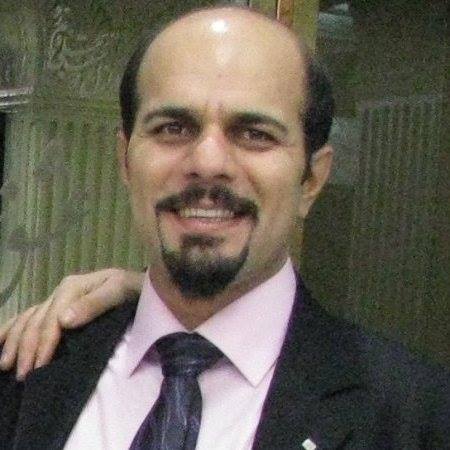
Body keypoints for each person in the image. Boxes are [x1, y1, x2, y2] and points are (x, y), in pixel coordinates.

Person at [1, 5, 449, 450]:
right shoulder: (28, 372)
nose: (208, 162)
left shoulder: (413, 417)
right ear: (125, 160)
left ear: (312, 179)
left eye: (254, 134)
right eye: (173, 128)